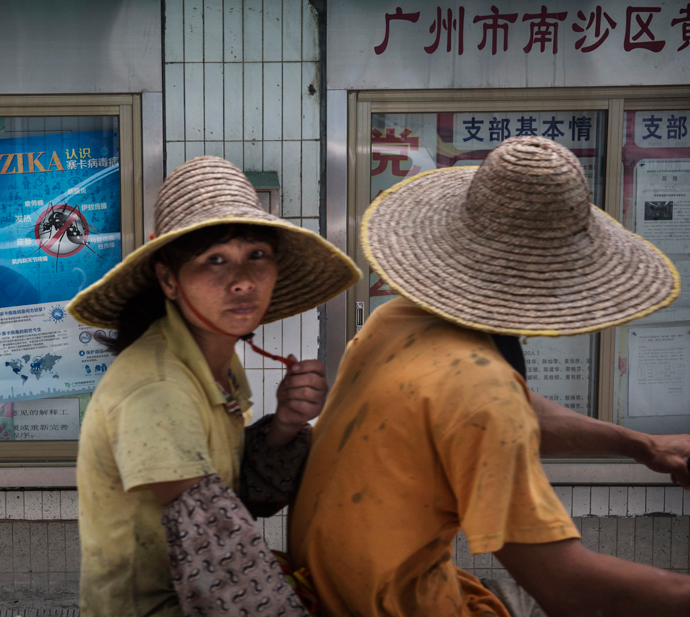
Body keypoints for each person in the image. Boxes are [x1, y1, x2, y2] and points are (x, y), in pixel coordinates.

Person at [289, 136, 690, 617]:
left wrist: (642, 445)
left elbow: (507, 411)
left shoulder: (396, 319)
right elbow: (568, 589)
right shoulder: (482, 393)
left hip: (326, 587)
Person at [66, 156, 360, 617]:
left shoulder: (214, 362)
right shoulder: (156, 389)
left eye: (256, 255)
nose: (242, 282)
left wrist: (284, 425)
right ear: (169, 279)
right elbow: (223, 561)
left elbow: (233, 491)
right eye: (215, 260)